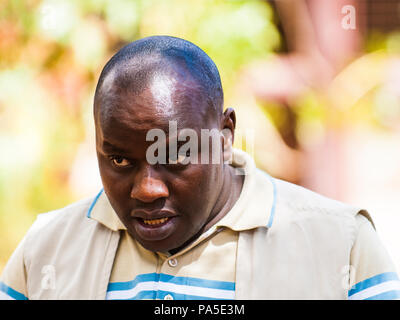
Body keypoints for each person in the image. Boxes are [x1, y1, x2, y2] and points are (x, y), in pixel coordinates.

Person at [1, 36, 399, 300]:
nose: (147, 189)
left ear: (224, 136)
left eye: (175, 156)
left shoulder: (341, 246)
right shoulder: (46, 251)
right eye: (120, 159)